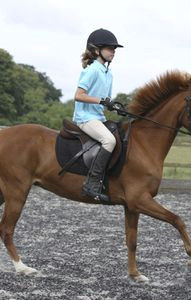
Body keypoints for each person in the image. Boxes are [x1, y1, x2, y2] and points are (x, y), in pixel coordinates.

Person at [73, 28, 123, 202]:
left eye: (114, 49)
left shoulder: (108, 74)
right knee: (109, 140)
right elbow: (78, 95)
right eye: (110, 48)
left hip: (99, 118)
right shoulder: (92, 70)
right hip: (84, 118)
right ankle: (92, 183)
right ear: (96, 50)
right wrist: (101, 101)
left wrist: (114, 106)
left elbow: (105, 100)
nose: (113, 52)